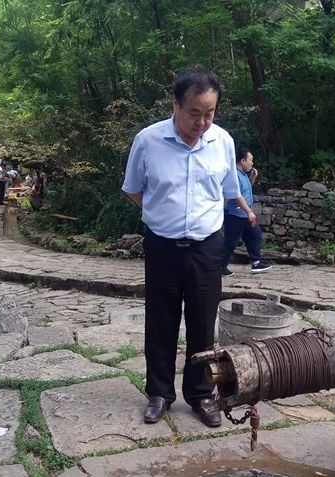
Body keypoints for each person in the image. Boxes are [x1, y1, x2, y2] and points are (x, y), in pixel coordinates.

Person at [122, 66, 245, 428]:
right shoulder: (148, 140)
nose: (202, 121)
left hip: (208, 247)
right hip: (162, 245)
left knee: (203, 323)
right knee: (161, 320)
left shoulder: (222, 141)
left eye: (209, 113)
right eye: (195, 112)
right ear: (175, 103)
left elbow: (226, 193)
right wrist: (163, 214)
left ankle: (202, 394)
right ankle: (159, 393)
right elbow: (133, 189)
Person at [222, 148, 272, 276]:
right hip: (235, 214)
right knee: (231, 241)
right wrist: (249, 211)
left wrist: (252, 179)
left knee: (255, 235)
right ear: (243, 161)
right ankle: (220, 266)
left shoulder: (243, 175)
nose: (252, 163)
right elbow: (236, 195)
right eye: (251, 160)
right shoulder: (234, 176)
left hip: (244, 214)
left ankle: (256, 263)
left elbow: (244, 190)